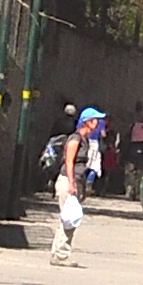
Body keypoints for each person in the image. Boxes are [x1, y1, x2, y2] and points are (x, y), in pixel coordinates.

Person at [51, 112, 91, 265]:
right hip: (68, 181)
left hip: (76, 181)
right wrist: (72, 183)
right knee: (70, 219)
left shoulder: (84, 140)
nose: (98, 123)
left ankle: (58, 253)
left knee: (67, 218)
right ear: (86, 122)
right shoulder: (75, 139)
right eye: (95, 120)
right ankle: (61, 255)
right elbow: (69, 162)